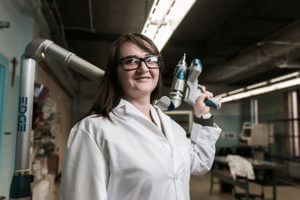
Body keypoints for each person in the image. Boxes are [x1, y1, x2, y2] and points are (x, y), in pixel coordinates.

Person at [61, 33, 221, 200]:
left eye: (150, 59)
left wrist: (203, 116)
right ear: (115, 72)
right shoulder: (94, 130)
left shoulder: (173, 128)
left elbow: (199, 163)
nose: (143, 68)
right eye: (131, 61)